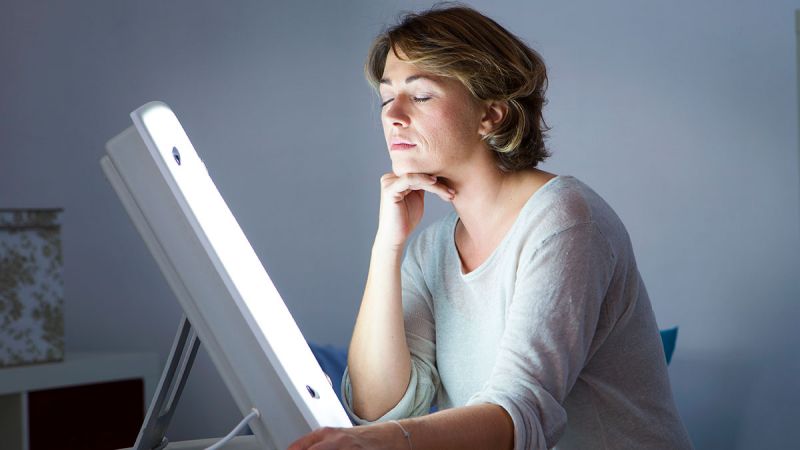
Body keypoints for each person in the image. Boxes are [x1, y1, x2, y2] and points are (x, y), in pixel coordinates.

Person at [289, 4, 693, 450]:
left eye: (420, 96)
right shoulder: (431, 250)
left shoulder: (566, 221)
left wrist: (378, 443)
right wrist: (387, 248)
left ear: (491, 115)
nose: (392, 115)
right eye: (386, 98)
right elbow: (379, 408)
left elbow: (520, 414)